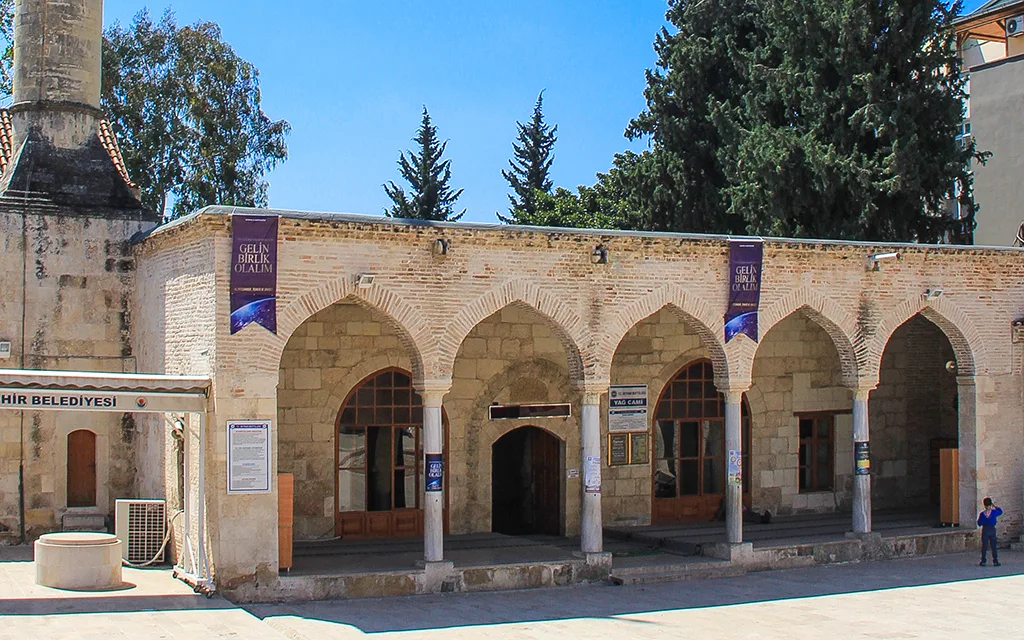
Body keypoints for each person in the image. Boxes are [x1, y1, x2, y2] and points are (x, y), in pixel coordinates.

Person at [977, 497, 1003, 567]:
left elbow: (979, 523)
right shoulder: (994, 512)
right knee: (993, 546)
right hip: (992, 529)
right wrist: (995, 506)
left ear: (984, 505)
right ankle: (995, 560)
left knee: (984, 546)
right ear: (990, 505)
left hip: (985, 529)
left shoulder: (982, 514)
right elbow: (1000, 511)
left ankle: (983, 561)